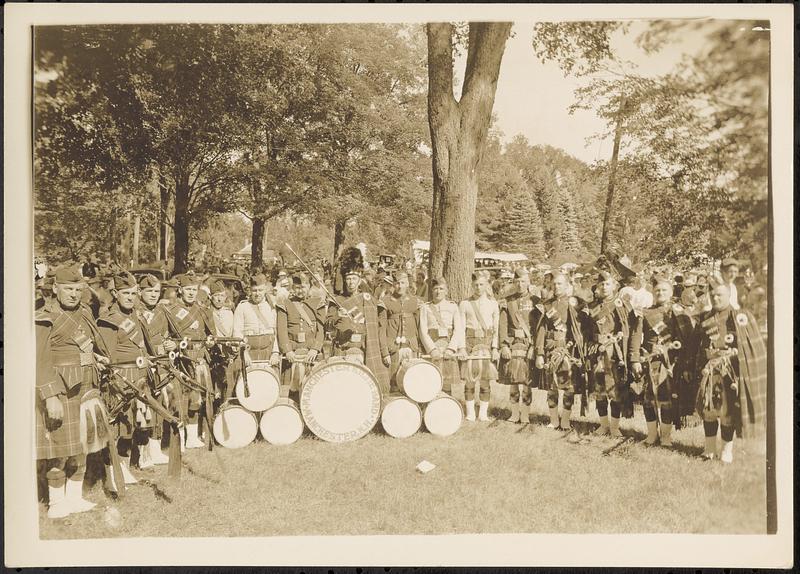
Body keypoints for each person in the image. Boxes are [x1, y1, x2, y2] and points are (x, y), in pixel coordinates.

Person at [36, 266, 111, 519]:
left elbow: (88, 344)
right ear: (55, 288)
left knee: (83, 443)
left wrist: (96, 357)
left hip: (87, 385)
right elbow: (40, 361)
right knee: (59, 449)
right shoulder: (44, 317)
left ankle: (74, 497)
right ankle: (57, 504)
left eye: (77, 290)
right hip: (62, 390)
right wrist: (49, 396)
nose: (72, 294)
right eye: (67, 289)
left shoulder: (86, 312)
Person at [688, 282, 766, 462]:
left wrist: (736, 354)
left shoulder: (739, 316)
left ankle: (726, 452)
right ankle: (708, 450)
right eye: (713, 295)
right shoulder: (705, 318)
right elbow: (696, 346)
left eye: (719, 295)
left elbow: (751, 345)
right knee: (709, 409)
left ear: (729, 295)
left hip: (731, 372)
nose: (715, 298)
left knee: (726, 411)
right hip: (710, 371)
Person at [97, 272, 158, 479]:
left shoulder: (136, 315)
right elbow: (107, 356)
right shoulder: (108, 320)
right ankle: (111, 472)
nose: (131, 297)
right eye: (126, 293)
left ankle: (123, 468)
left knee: (130, 426)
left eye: (133, 293)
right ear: (115, 293)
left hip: (139, 375)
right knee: (116, 427)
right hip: (120, 379)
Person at [628, 276, 694, 447]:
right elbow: (636, 336)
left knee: (667, 399)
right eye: (657, 290)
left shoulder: (678, 312)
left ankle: (665, 437)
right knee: (648, 399)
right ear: (653, 293)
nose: (660, 293)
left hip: (671, 363)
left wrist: (671, 350)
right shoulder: (646, 312)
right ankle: (651, 435)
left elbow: (686, 340)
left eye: (664, 290)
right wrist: (635, 359)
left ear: (671, 292)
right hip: (649, 361)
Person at [165, 272, 217, 448]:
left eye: (194, 290)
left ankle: (193, 437)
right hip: (182, 360)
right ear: (180, 290)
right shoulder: (171, 311)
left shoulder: (202, 309)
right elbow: (167, 336)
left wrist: (210, 344)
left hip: (199, 359)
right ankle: (179, 438)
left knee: (197, 401)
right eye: (187, 289)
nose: (191, 293)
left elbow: (211, 335)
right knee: (181, 401)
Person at [582, 270, 636, 438]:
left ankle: (614, 427)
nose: (604, 287)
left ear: (614, 286)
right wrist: (591, 344)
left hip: (614, 354)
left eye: (607, 284)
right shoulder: (591, 306)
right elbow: (587, 331)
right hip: (597, 351)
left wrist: (618, 340)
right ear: (597, 286)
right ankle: (603, 425)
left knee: (615, 390)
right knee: (599, 389)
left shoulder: (621, 304)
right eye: (601, 284)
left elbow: (629, 329)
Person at [535, 272, 586, 439]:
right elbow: (542, 330)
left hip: (567, 349)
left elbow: (577, 329)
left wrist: (573, 347)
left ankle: (565, 420)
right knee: (552, 387)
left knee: (568, 387)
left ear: (566, 285)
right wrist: (540, 353)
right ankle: (553, 420)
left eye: (560, 284)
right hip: (550, 348)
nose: (556, 287)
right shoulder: (547, 304)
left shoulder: (573, 304)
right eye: (554, 284)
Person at [326, 265, 390, 394]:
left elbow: (380, 319)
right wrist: (338, 315)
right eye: (348, 279)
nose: (351, 282)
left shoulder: (367, 299)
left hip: (364, 349)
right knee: (343, 388)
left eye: (354, 279)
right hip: (343, 348)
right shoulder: (337, 300)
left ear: (359, 280)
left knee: (362, 388)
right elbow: (327, 325)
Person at [135, 274, 175, 463]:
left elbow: (168, 335)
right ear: (139, 292)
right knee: (144, 411)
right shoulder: (135, 312)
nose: (153, 295)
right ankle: (142, 455)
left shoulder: (161, 311)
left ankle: (155, 447)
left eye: (156, 291)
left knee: (160, 405)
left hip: (161, 365)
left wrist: (170, 344)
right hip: (143, 366)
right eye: (148, 291)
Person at [276, 273, 326, 402]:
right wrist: (287, 350)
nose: (300, 290)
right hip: (293, 352)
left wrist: (315, 348)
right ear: (292, 288)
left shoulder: (317, 303)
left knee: (313, 388)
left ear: (309, 286)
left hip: (311, 352)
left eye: (303, 287)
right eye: (297, 287)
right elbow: (281, 329)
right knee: (290, 390)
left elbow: (321, 329)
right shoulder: (285, 303)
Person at [459, 273, 500, 422]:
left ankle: (483, 414)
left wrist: (495, 348)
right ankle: (470, 413)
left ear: (487, 285)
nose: (478, 287)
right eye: (476, 284)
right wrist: (462, 348)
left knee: (485, 379)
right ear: (472, 285)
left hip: (486, 342)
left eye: (481, 284)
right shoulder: (464, 304)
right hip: (470, 342)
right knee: (470, 379)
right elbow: (460, 328)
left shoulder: (493, 304)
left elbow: (496, 328)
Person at [498, 268, 536, 424]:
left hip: (529, 345)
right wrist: (504, 345)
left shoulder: (536, 301)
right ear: (513, 283)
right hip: (513, 344)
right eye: (517, 282)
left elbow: (539, 326)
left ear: (528, 282)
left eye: (523, 281)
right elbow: (503, 324)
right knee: (513, 380)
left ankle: (525, 415)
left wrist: (535, 347)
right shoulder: (508, 301)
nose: (520, 285)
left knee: (527, 381)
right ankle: (514, 414)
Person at [419, 277, 464, 396]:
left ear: (446, 291)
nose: (438, 291)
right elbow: (423, 331)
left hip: (448, 346)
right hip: (432, 347)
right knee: (431, 379)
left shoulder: (453, 306)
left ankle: (447, 408)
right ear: (431, 291)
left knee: (447, 381)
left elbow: (458, 329)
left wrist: (451, 348)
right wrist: (432, 349)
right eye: (435, 289)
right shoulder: (425, 307)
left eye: (441, 289)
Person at [379, 271, 423, 392]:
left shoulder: (415, 301)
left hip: (411, 347)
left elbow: (420, 328)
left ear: (408, 283)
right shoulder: (385, 301)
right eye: (397, 283)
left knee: (411, 382)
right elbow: (381, 329)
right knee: (393, 384)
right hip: (393, 349)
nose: (400, 286)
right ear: (393, 284)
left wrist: (419, 348)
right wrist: (384, 352)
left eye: (403, 283)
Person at [233, 273, 282, 366]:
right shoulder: (242, 307)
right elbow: (237, 332)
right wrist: (243, 352)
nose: (257, 293)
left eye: (260, 290)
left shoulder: (271, 307)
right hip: (249, 353)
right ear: (250, 291)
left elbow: (276, 332)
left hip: (268, 353)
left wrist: (275, 352)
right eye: (254, 290)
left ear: (265, 290)